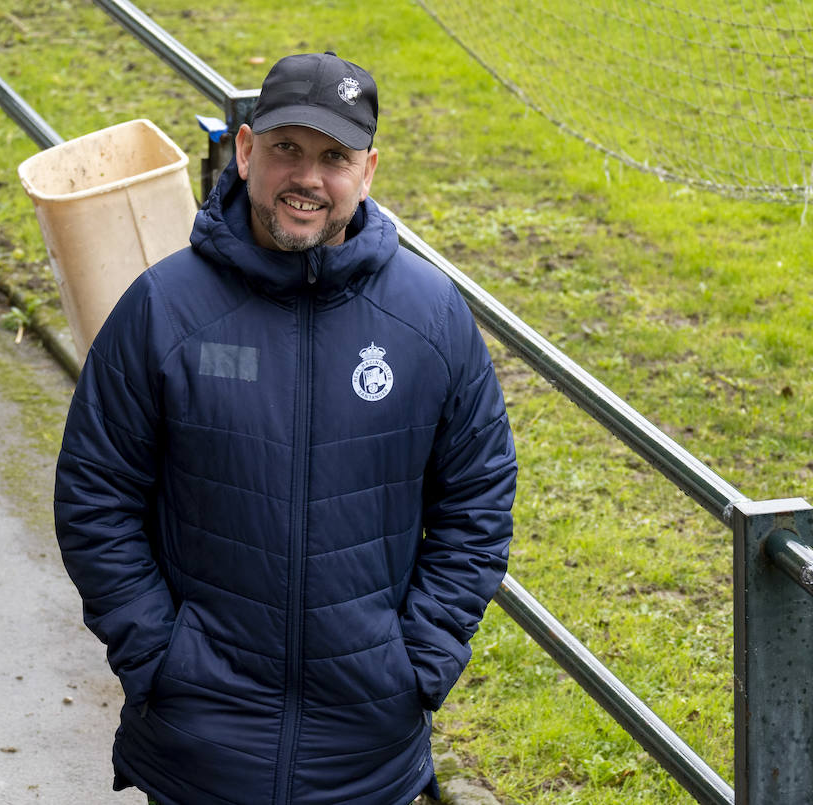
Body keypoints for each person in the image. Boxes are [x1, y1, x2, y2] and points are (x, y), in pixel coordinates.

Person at [53, 52, 517, 805]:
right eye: (286, 149)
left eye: (334, 156)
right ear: (244, 152)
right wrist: (160, 658)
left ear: (368, 170)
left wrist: (417, 663)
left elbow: (478, 499)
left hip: (366, 758)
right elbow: (94, 495)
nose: (308, 177)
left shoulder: (430, 319)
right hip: (200, 751)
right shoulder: (163, 310)